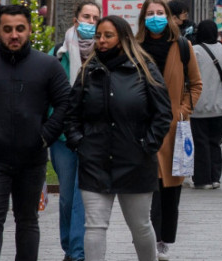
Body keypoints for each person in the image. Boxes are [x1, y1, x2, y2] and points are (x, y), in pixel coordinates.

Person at [0, 4, 71, 261]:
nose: (14, 35)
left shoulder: (48, 65)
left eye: (20, 29)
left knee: (28, 220)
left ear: (29, 29)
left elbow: (66, 103)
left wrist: (45, 135)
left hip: (32, 159)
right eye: (7, 29)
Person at [64, 16, 172, 261]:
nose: (101, 41)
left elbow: (163, 112)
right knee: (94, 226)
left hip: (135, 160)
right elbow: (72, 113)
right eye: (98, 35)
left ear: (123, 38)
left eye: (108, 35)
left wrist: (148, 144)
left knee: (141, 226)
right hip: (95, 160)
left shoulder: (144, 68)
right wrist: (79, 142)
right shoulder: (88, 71)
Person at [136, 0, 203, 260]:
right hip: (142, 126)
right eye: (150, 13)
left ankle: (164, 239)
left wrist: (183, 110)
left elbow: (196, 84)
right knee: (146, 187)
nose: (155, 17)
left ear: (169, 16)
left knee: (169, 189)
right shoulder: (134, 47)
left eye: (160, 13)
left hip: (174, 128)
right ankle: (147, 239)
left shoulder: (183, 46)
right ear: (143, 17)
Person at [51, 0, 101, 261]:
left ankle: (77, 253)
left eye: (95, 18)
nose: (90, 22)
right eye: (86, 16)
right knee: (67, 198)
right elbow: (46, 95)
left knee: (84, 196)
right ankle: (68, 246)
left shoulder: (104, 54)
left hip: (93, 137)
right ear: (75, 19)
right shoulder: (58, 54)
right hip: (62, 138)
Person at [191, 20, 222, 190]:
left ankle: (202, 179)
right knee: (215, 143)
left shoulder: (194, 51)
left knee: (200, 143)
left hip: (198, 107)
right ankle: (215, 177)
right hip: (220, 106)